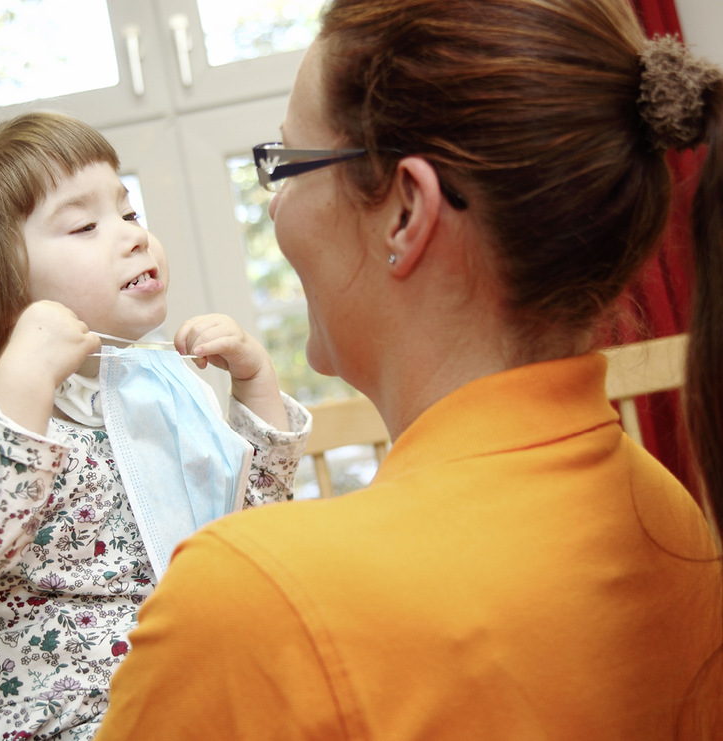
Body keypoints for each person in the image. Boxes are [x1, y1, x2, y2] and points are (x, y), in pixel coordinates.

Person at [95, 0, 723, 739]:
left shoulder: (250, 603)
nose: (276, 212)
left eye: (289, 164)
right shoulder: (670, 516)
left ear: (405, 214)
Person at [0, 56, 310, 740]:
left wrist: (255, 386)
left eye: (128, 209)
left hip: (161, 711)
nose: (133, 233)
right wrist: (24, 380)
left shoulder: (150, 387)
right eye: (84, 226)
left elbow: (242, 537)